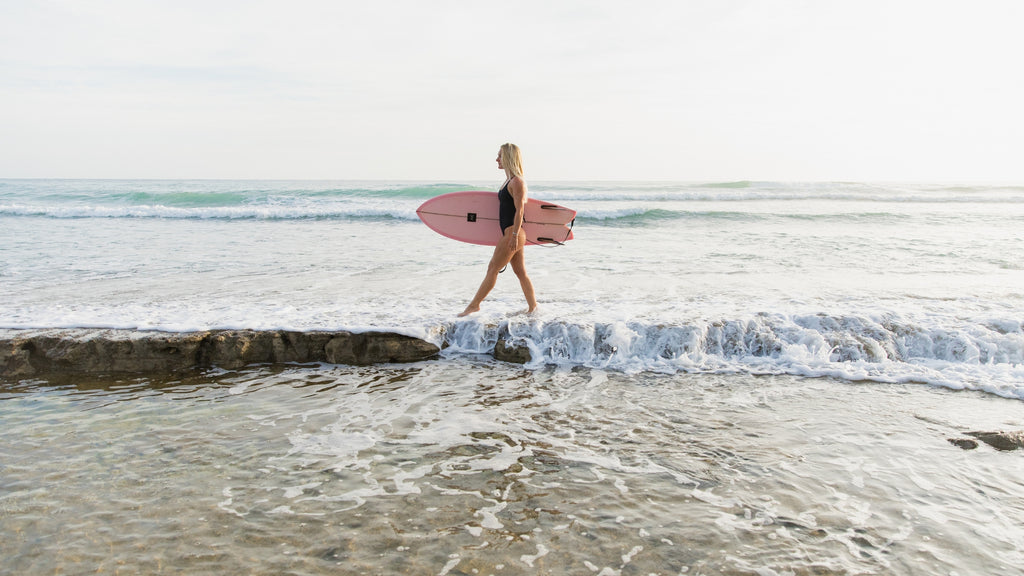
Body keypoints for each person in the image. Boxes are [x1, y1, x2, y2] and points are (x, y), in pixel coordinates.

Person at [459, 143, 538, 316]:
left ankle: (474, 305)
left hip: (513, 232)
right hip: (512, 233)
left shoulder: (517, 181)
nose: (497, 159)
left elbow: (520, 210)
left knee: (493, 268)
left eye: (500, 156)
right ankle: (534, 308)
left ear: (509, 157)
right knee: (520, 272)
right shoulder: (509, 181)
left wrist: (515, 235)